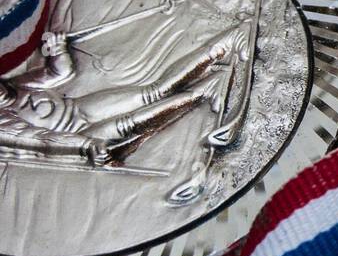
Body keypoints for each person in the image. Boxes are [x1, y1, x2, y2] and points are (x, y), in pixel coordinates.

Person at [0, 26, 247, 167]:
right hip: (78, 136)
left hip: (80, 109)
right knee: (130, 123)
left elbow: (59, 72)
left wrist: (58, 51)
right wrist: (84, 146)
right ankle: (208, 88)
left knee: (155, 91)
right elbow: (40, 140)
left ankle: (228, 40)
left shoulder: (16, 83)